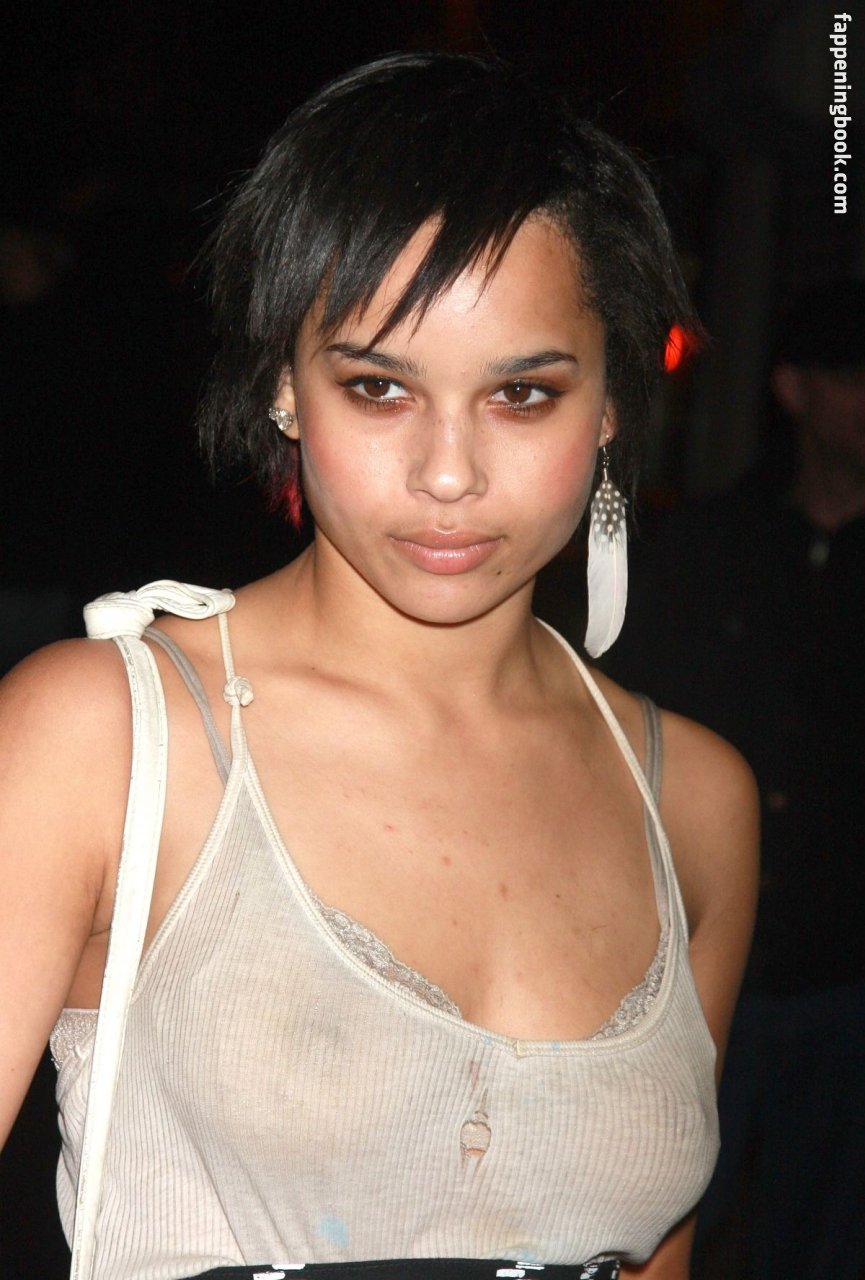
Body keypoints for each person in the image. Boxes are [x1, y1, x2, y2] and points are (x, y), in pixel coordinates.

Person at [0, 53, 758, 1280]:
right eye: (377, 387)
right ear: (284, 390)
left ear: (612, 399)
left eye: (522, 393)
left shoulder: (696, 799)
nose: (448, 472)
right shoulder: (103, 738)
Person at [605, 278, 865, 1280]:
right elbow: (626, 733)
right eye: (851, 377)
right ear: (795, 389)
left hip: (843, 979)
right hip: (689, 969)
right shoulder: (707, 545)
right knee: (650, 1221)